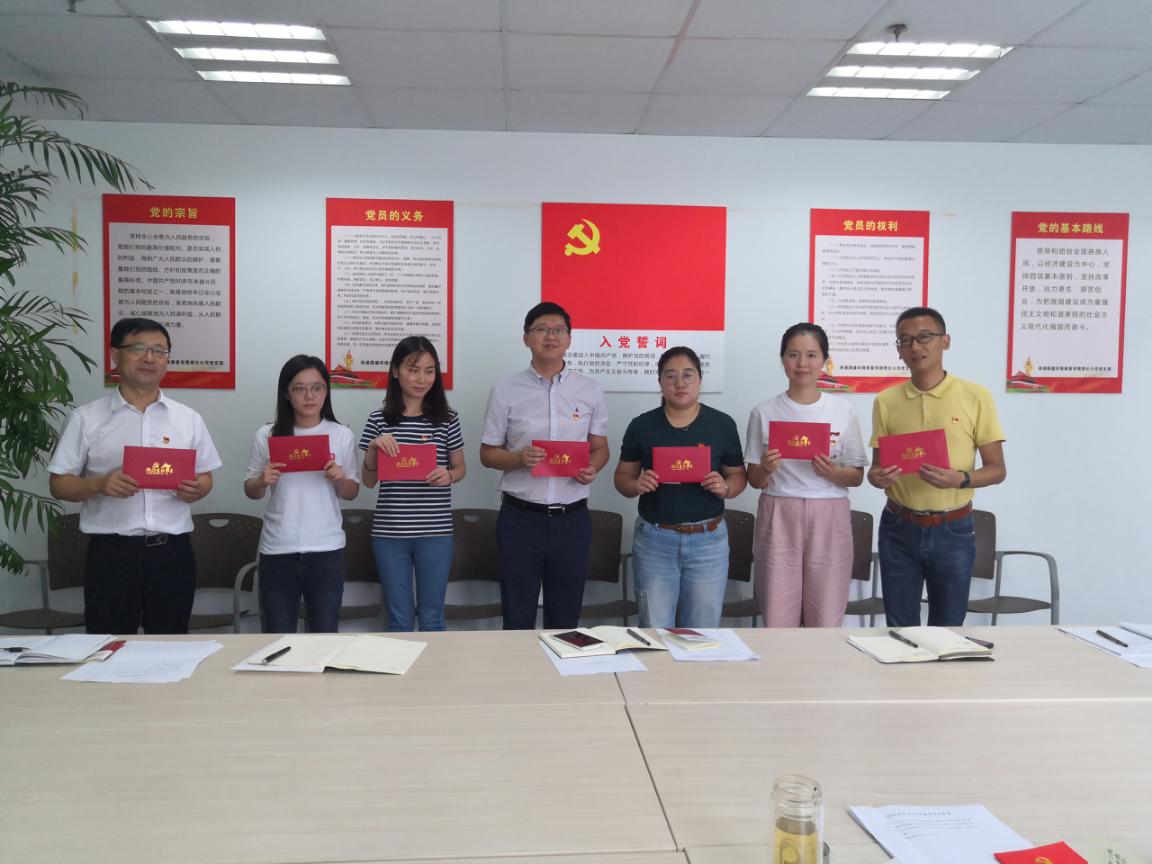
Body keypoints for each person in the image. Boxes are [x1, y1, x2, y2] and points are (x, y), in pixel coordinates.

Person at [48, 317, 221, 634]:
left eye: (159, 351)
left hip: (172, 553)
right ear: (116, 355)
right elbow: (59, 485)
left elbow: (206, 478)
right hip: (111, 555)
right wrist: (99, 484)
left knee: (171, 646)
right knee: (108, 646)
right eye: (139, 348)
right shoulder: (86, 419)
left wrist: (198, 489)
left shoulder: (188, 419)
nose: (149, 358)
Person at [868, 306, 1006, 627]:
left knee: (948, 630)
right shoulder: (886, 401)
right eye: (905, 340)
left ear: (945, 341)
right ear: (899, 349)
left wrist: (961, 479)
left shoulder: (975, 396)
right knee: (900, 630)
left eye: (924, 337)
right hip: (897, 528)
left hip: (953, 529)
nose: (915, 347)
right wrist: (878, 477)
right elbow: (876, 471)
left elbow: (997, 469)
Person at [480, 302, 608, 630]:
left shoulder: (590, 390)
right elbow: (487, 454)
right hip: (520, 520)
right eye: (541, 330)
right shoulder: (505, 390)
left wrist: (592, 468)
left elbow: (600, 448)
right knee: (517, 617)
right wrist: (517, 458)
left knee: (565, 621)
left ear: (569, 339)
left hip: (572, 520)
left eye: (558, 330)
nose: (551, 336)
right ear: (526, 338)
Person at [614, 346, 746, 629]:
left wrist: (725, 487)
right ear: (660, 382)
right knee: (654, 628)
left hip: (708, 541)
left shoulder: (722, 425)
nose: (679, 383)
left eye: (688, 375)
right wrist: (636, 484)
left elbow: (738, 476)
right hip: (655, 541)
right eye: (670, 375)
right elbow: (622, 477)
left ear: (700, 380)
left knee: (702, 630)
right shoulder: (642, 426)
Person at [745, 323, 867, 627]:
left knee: (825, 614)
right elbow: (754, 480)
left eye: (812, 355)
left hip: (829, 514)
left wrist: (833, 473)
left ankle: (821, 661)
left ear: (824, 360)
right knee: (777, 613)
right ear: (782, 359)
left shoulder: (843, 410)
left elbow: (856, 476)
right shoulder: (763, 412)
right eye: (793, 354)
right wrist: (766, 468)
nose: (802, 363)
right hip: (779, 511)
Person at [244, 355, 359, 633]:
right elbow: (251, 490)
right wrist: (261, 481)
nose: (310, 396)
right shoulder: (267, 434)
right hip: (278, 549)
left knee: (325, 636)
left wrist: (340, 479)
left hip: (326, 550)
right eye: (300, 388)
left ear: (326, 391)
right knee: (277, 636)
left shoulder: (341, 435)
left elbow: (352, 492)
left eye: (317, 387)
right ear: (286, 392)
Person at [361, 337, 465, 632]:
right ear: (396, 371)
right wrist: (373, 449)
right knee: (399, 619)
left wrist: (449, 475)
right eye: (413, 370)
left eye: (429, 371)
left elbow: (460, 468)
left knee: (432, 617)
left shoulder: (447, 419)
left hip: (435, 532)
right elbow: (368, 481)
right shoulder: (379, 420)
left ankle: (434, 665)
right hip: (390, 533)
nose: (422, 379)